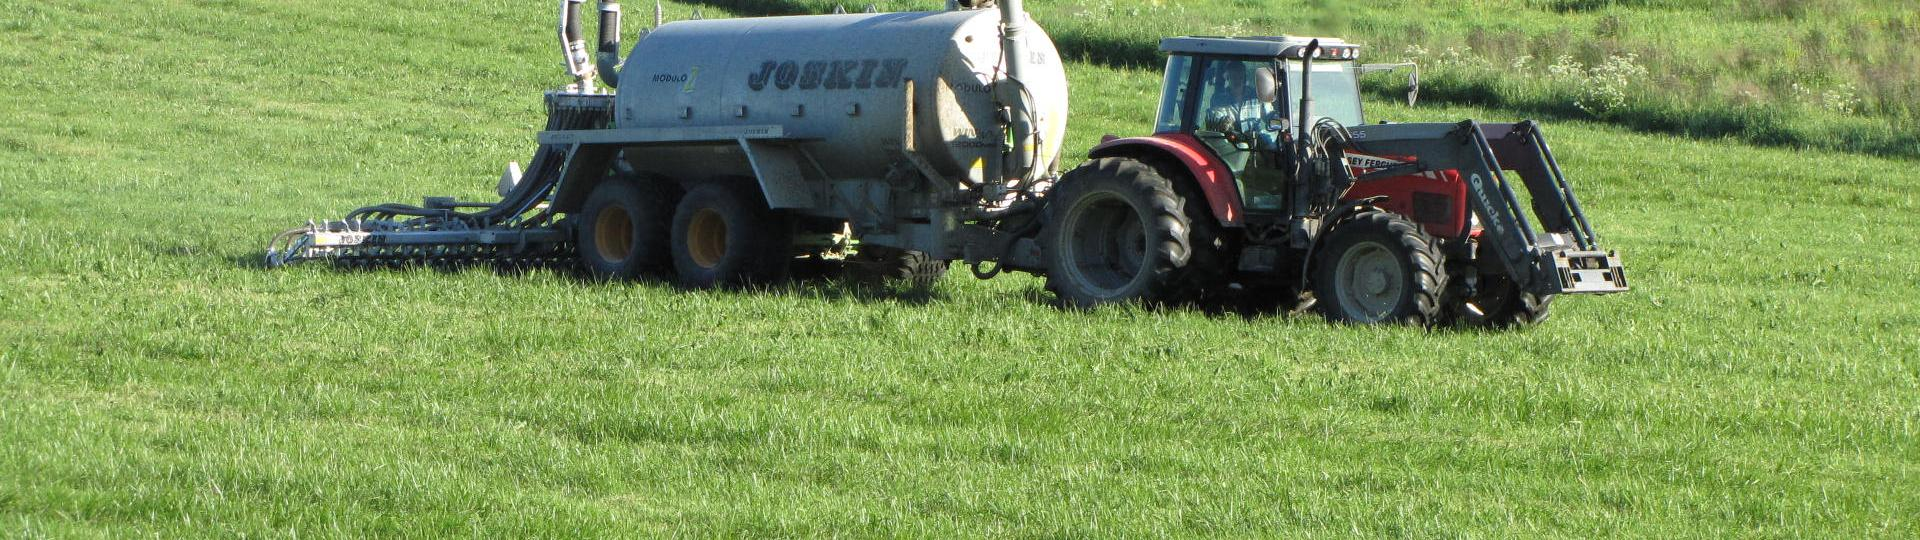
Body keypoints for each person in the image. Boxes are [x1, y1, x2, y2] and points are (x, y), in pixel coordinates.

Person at [1204, 61, 1277, 146]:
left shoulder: (1256, 96)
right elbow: (1216, 116)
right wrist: (1225, 123)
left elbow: (1269, 114)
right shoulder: (1219, 99)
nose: (1237, 81)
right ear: (1227, 78)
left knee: (1272, 144)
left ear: (1245, 78)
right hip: (1230, 141)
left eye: (1240, 77)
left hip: (1256, 140)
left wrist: (1277, 120)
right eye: (1234, 77)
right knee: (1242, 145)